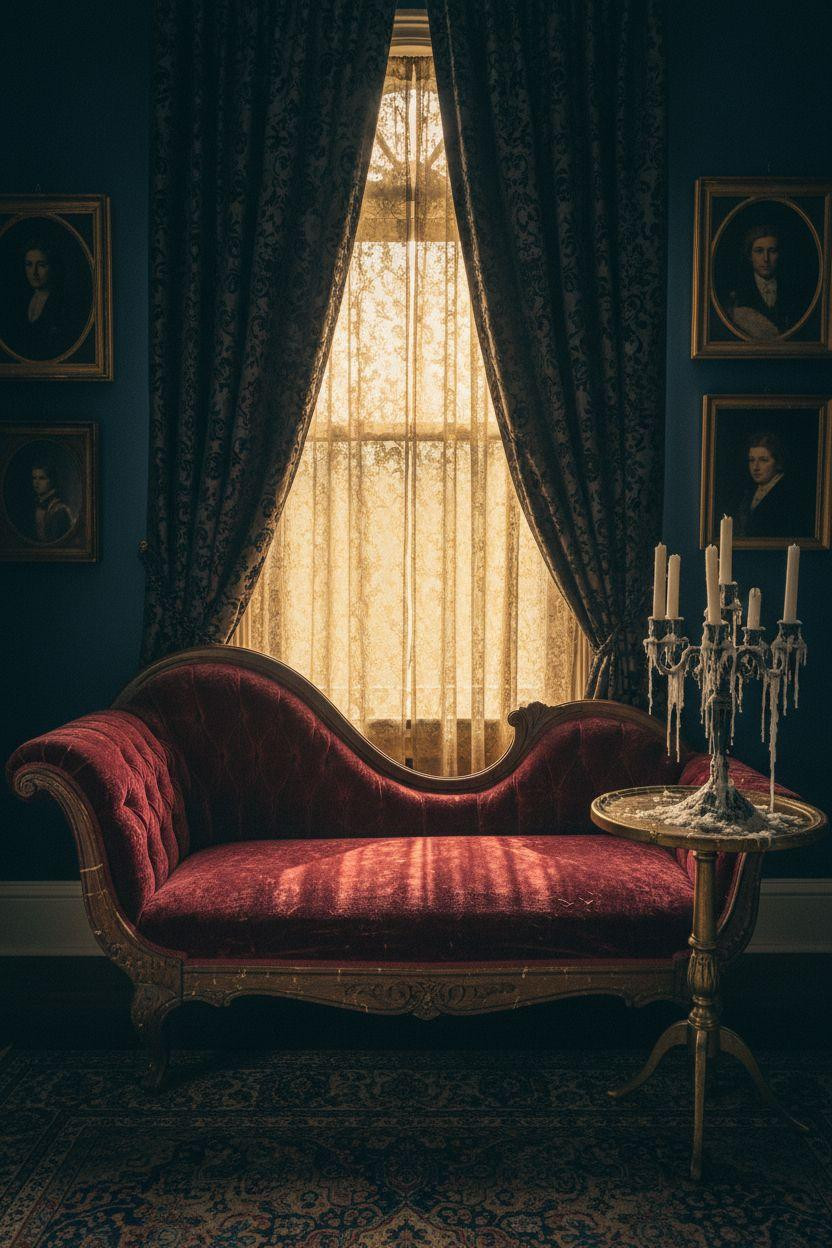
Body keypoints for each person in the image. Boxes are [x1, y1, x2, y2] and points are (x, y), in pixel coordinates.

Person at [727, 225, 806, 340]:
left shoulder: (795, 292)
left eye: (772, 251)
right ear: (750, 255)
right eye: (759, 251)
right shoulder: (736, 295)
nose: (766, 259)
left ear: (779, 254)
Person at [733, 431, 811, 539]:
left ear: (778, 462)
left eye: (763, 460)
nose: (755, 467)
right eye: (751, 460)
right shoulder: (749, 491)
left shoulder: (788, 494)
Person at [1, 238, 70, 360]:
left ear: (53, 267)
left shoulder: (63, 304)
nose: (34, 272)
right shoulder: (20, 301)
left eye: (41, 265)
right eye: (29, 265)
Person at [30, 460, 74, 543]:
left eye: (42, 478)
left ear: (51, 480)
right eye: (34, 478)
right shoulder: (35, 505)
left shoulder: (60, 510)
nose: (36, 482)